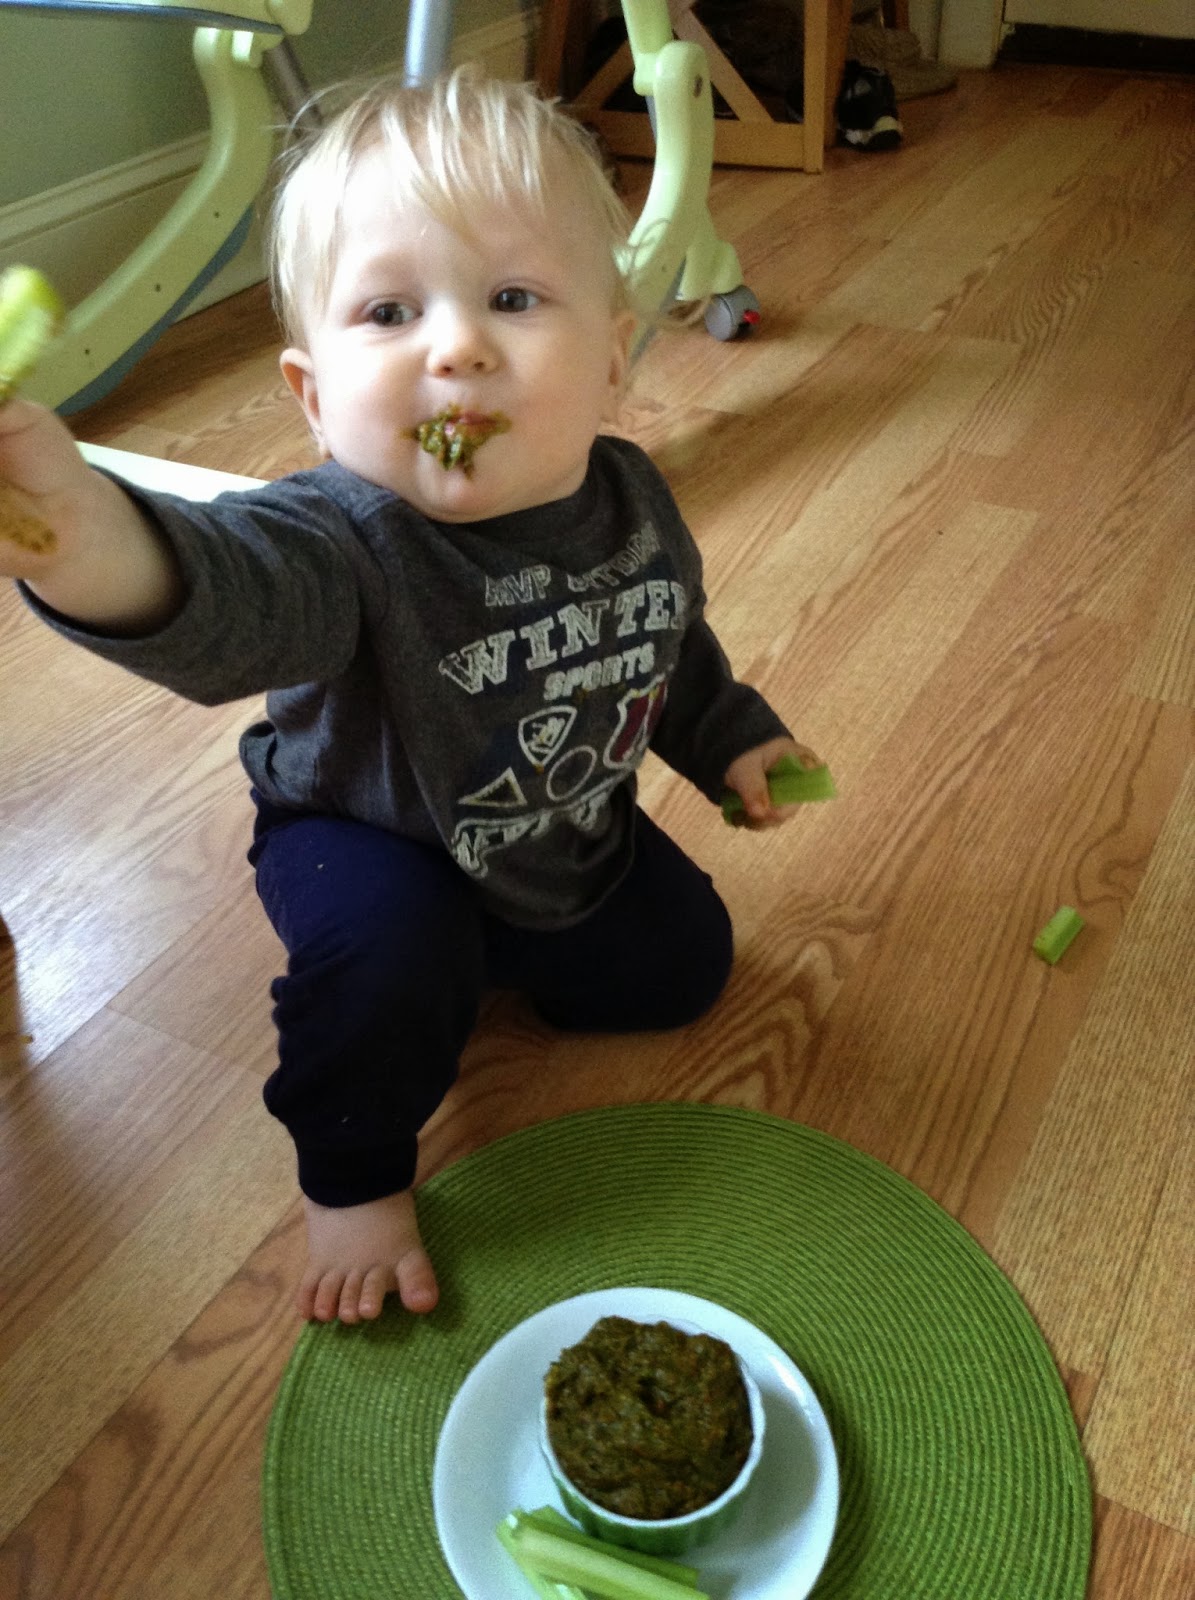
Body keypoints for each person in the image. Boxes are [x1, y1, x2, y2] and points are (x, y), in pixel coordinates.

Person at [0, 67, 822, 1326]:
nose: (456, 348)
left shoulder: (630, 503)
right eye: (388, 311)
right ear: (314, 394)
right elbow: (223, 595)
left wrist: (732, 740)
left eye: (511, 298)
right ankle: (355, 1173)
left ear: (611, 360)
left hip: (554, 828)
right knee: (385, 966)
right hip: (365, 834)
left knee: (683, 965)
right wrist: (76, 533)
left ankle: (486, 954)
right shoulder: (341, 538)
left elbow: (660, 644)